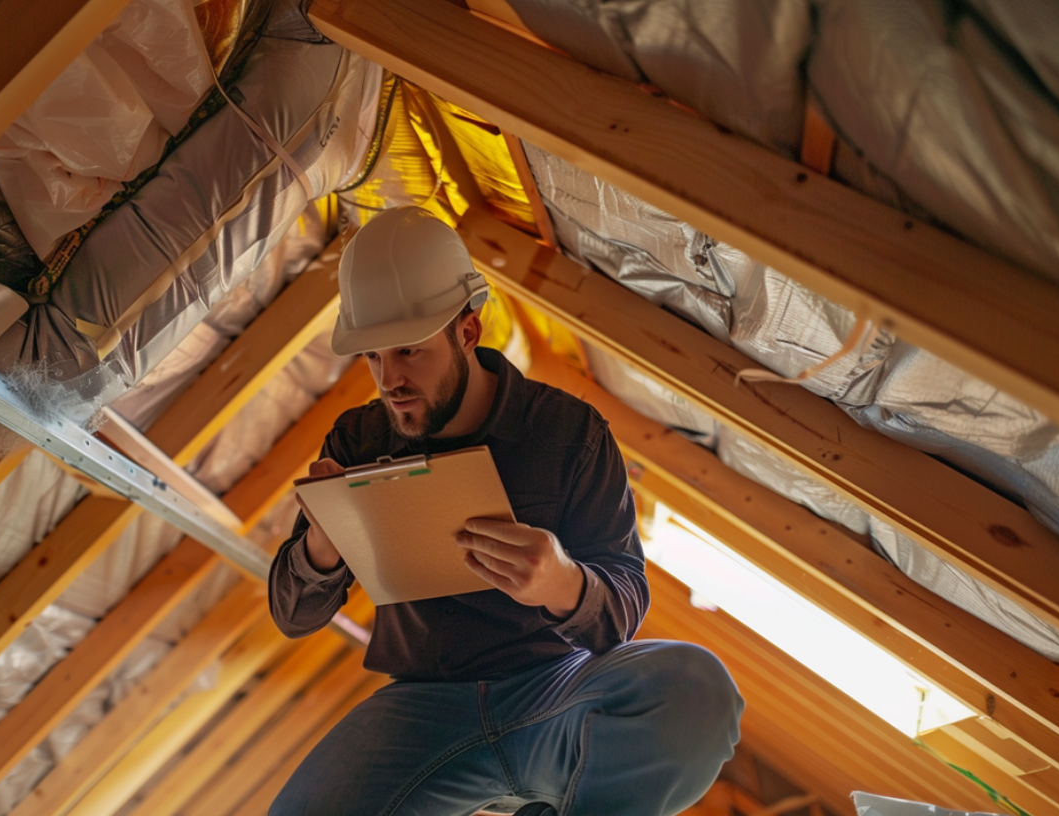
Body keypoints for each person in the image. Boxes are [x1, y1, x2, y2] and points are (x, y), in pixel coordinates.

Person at [268, 206, 743, 816]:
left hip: (554, 695)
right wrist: (323, 547)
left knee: (694, 688)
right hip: (419, 712)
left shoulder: (571, 433)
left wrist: (563, 583)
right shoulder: (358, 441)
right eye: (373, 358)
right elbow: (293, 615)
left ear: (467, 332)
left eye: (409, 352)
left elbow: (622, 603)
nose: (390, 381)